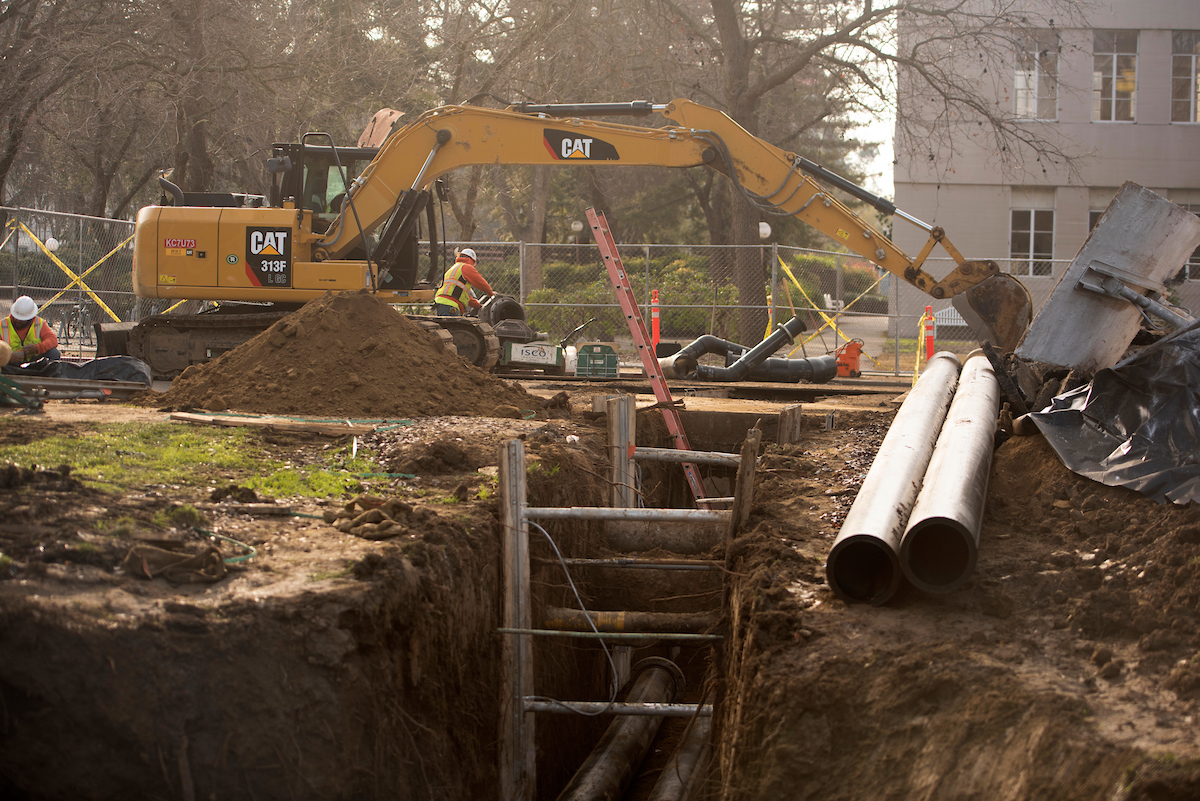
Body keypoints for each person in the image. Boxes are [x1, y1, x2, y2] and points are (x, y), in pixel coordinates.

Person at [433, 248, 495, 316]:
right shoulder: (466, 267)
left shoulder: (453, 268)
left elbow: (463, 297)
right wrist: (491, 294)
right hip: (450, 305)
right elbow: (481, 283)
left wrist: (478, 305)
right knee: (451, 326)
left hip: (440, 303)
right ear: (472, 260)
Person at [3, 295, 61, 368]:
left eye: (22, 320)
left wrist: (37, 348)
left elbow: (53, 340)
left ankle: (47, 378)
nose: (18, 321)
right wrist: (7, 356)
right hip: (10, 364)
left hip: (35, 362)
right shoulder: (2, 325)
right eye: (17, 317)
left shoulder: (39, 323)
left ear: (30, 317)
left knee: (54, 353)